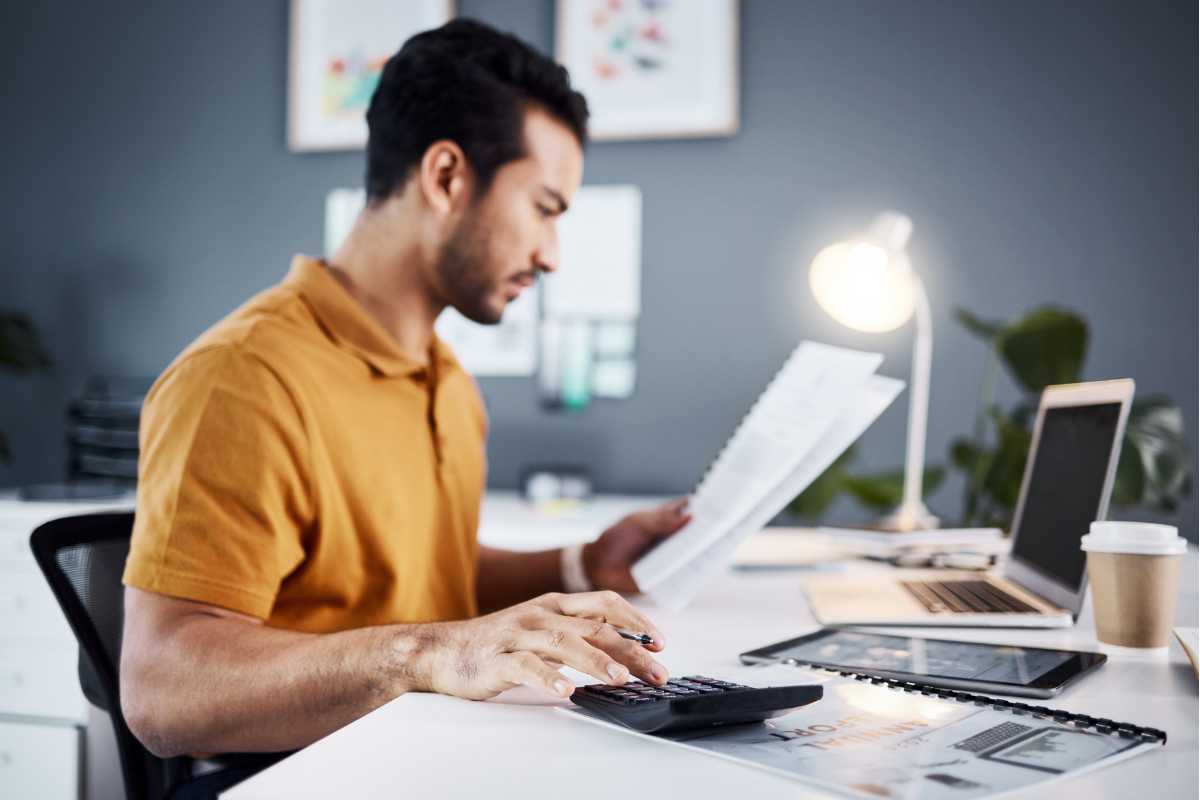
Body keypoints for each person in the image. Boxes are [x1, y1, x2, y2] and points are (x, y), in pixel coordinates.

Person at [119, 19, 689, 760]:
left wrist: (580, 565)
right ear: (447, 176)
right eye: (544, 208)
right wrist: (424, 655)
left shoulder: (448, 381)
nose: (551, 254)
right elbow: (160, 690)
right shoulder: (242, 376)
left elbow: (421, 572)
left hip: (429, 754)